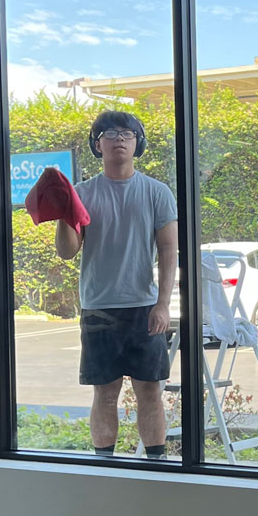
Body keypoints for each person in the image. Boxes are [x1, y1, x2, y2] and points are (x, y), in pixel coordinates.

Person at [54, 110, 178, 459]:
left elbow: (169, 251)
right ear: (98, 145)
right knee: (104, 394)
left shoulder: (157, 192)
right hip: (99, 308)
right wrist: (64, 212)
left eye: (127, 133)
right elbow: (67, 251)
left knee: (150, 392)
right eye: (109, 133)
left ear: (138, 143)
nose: (118, 138)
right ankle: (104, 465)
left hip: (144, 307)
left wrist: (163, 303)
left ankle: (156, 463)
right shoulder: (81, 194)